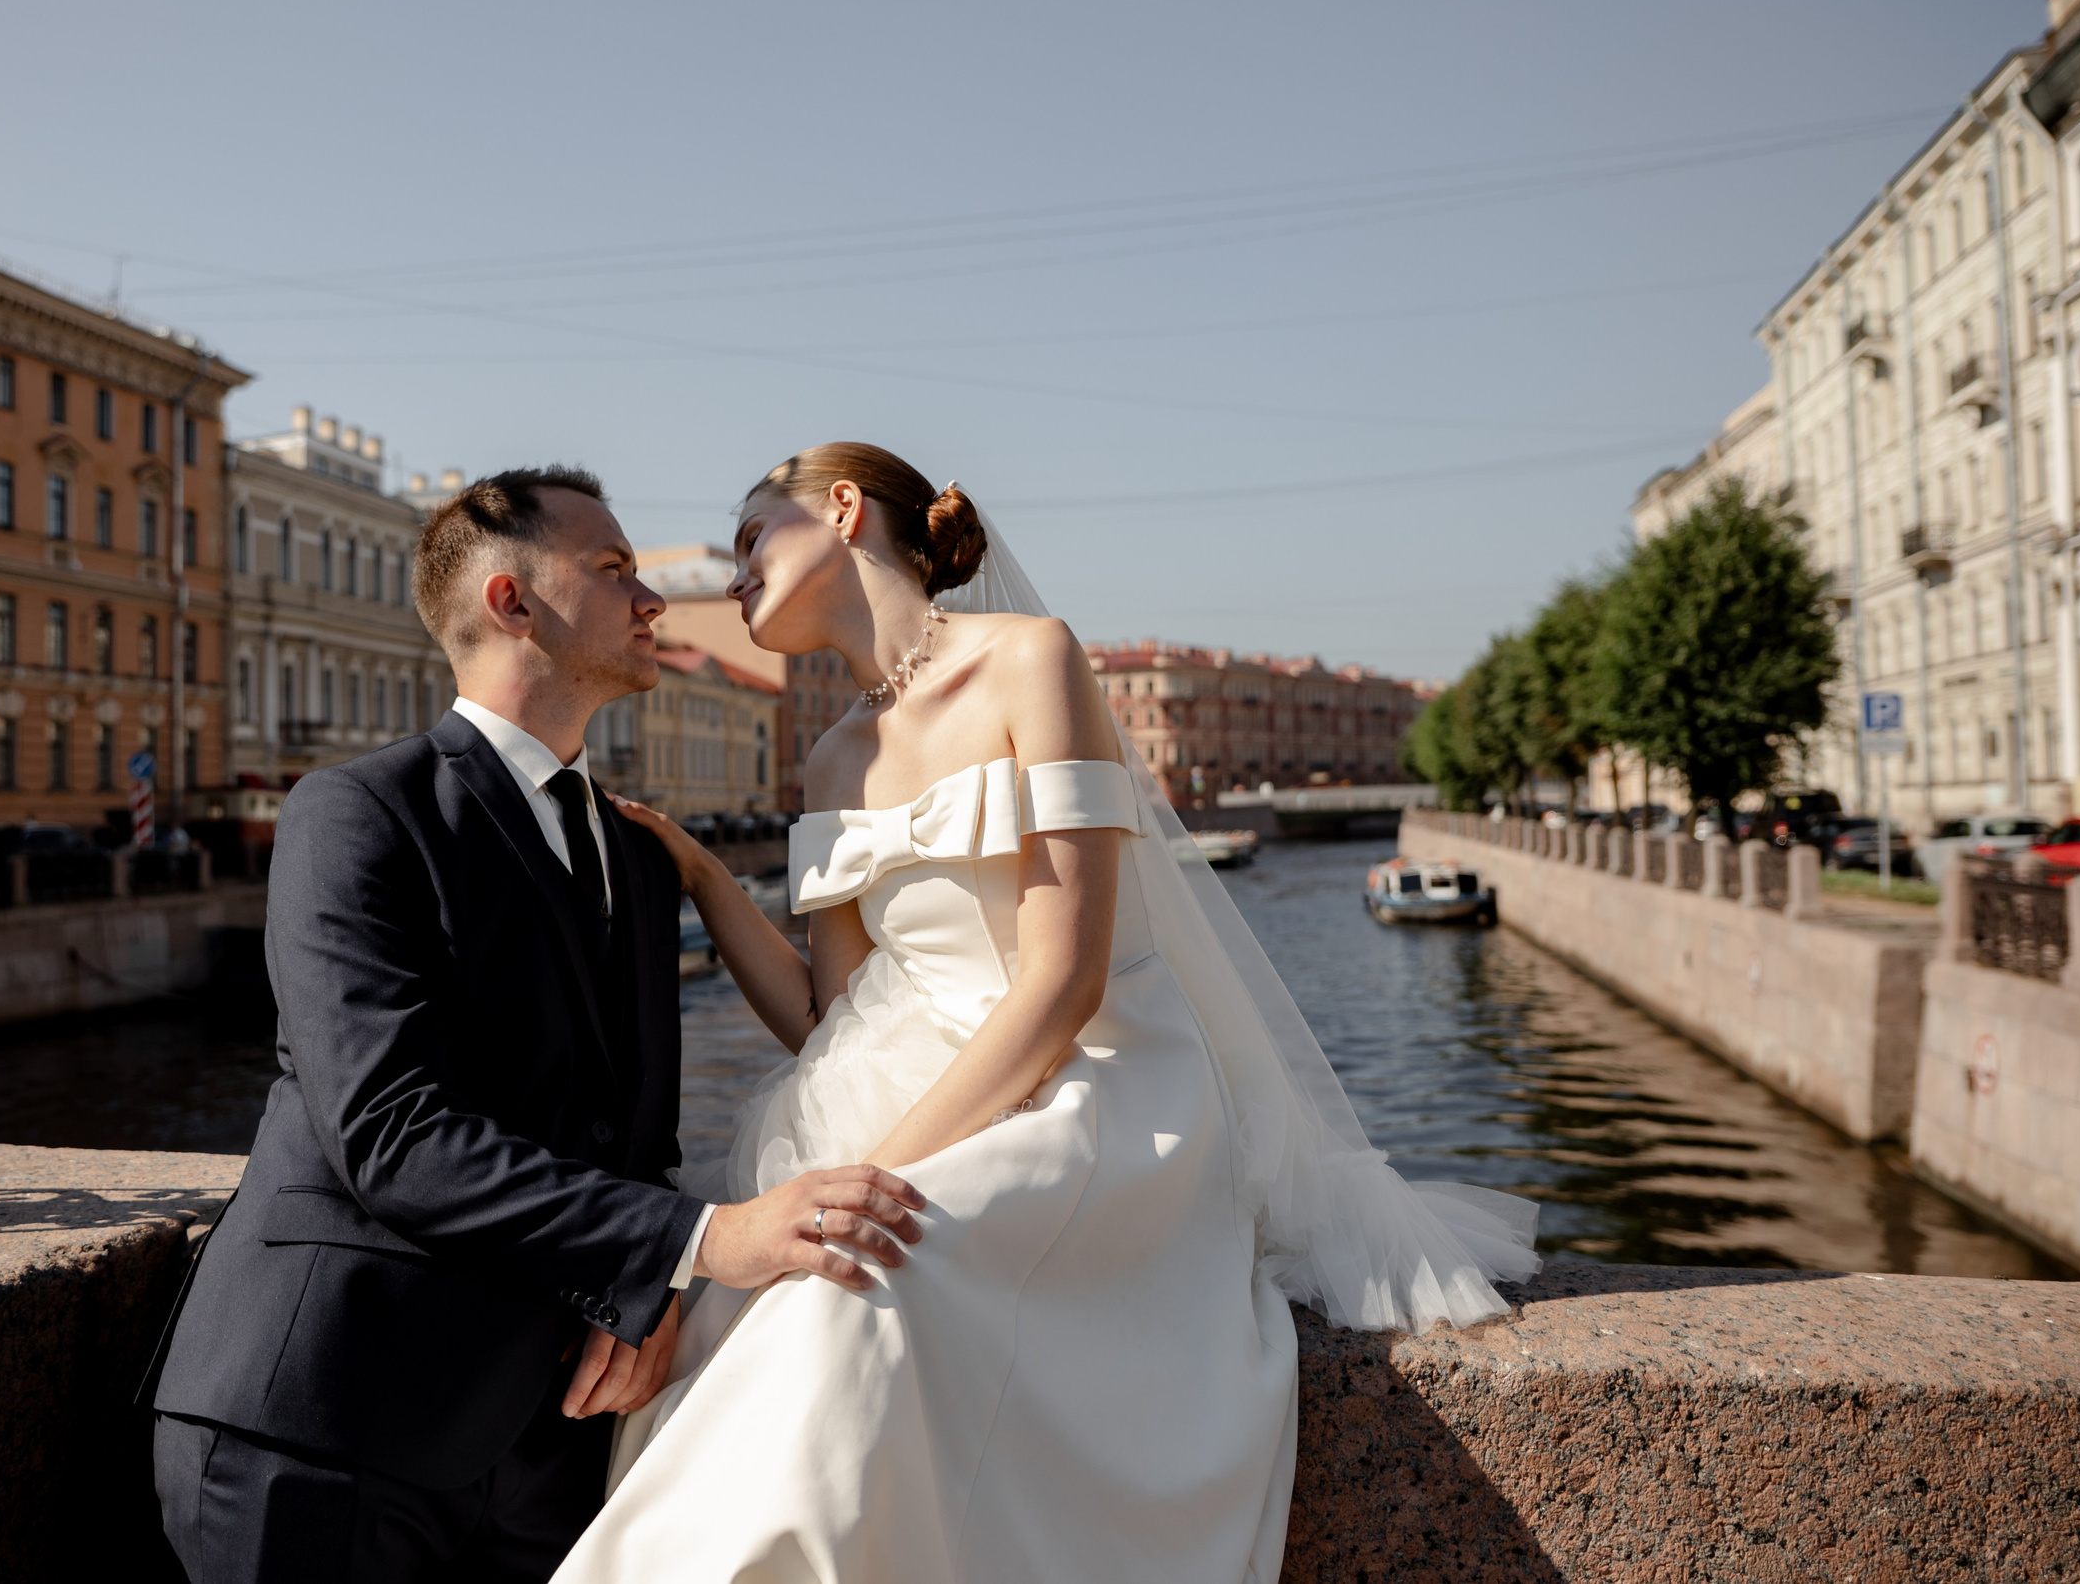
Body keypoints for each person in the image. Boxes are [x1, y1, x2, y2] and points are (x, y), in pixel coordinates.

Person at [555, 444, 1538, 1582]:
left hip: (1092, 1083)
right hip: (907, 1096)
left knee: (849, 1292)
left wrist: (866, 1179)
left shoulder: (1033, 657)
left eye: (747, 540)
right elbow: (829, 1018)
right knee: (751, 1327)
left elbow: (1064, 980)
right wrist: (703, 876)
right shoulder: (829, 759)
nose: (730, 576)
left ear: (839, 511)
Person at [144, 466, 923, 1583]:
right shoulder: (359, 809)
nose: (651, 600)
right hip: (327, 1424)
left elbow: (626, 1130)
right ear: (512, 601)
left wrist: (642, 1290)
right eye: (614, 571)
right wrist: (707, 1240)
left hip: (550, 1437)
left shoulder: (639, 852)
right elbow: (392, 1132)